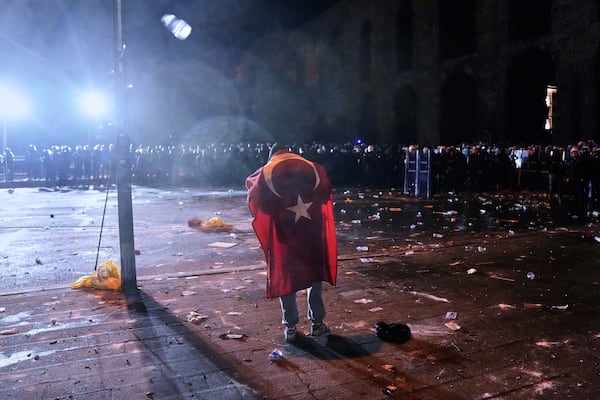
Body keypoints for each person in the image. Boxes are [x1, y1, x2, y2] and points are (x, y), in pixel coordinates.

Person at [245, 143, 337, 342]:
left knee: (287, 278)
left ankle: (291, 328)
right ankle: (317, 324)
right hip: (312, 233)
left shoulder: (267, 172)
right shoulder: (313, 168)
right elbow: (324, 195)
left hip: (286, 235)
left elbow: (257, 201)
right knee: (314, 277)